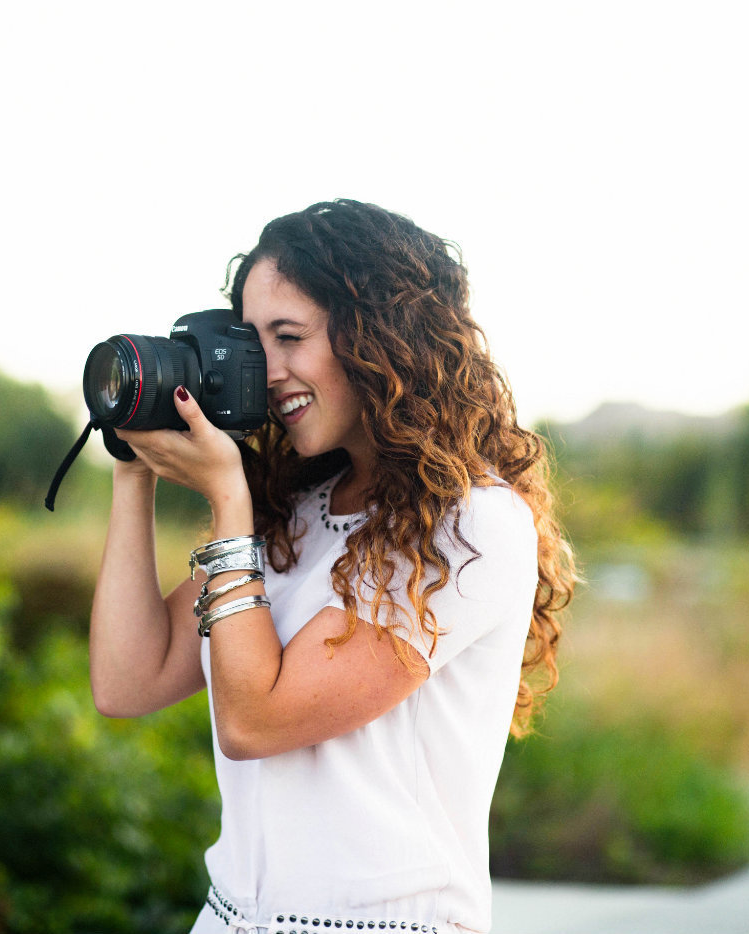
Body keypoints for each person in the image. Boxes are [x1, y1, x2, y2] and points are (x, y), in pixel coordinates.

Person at [88, 199, 575, 934]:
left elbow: (256, 720)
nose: (268, 370)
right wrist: (135, 469)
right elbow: (129, 681)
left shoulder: (473, 525)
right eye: (253, 344)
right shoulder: (298, 514)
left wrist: (227, 495)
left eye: (290, 337)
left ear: (383, 338)